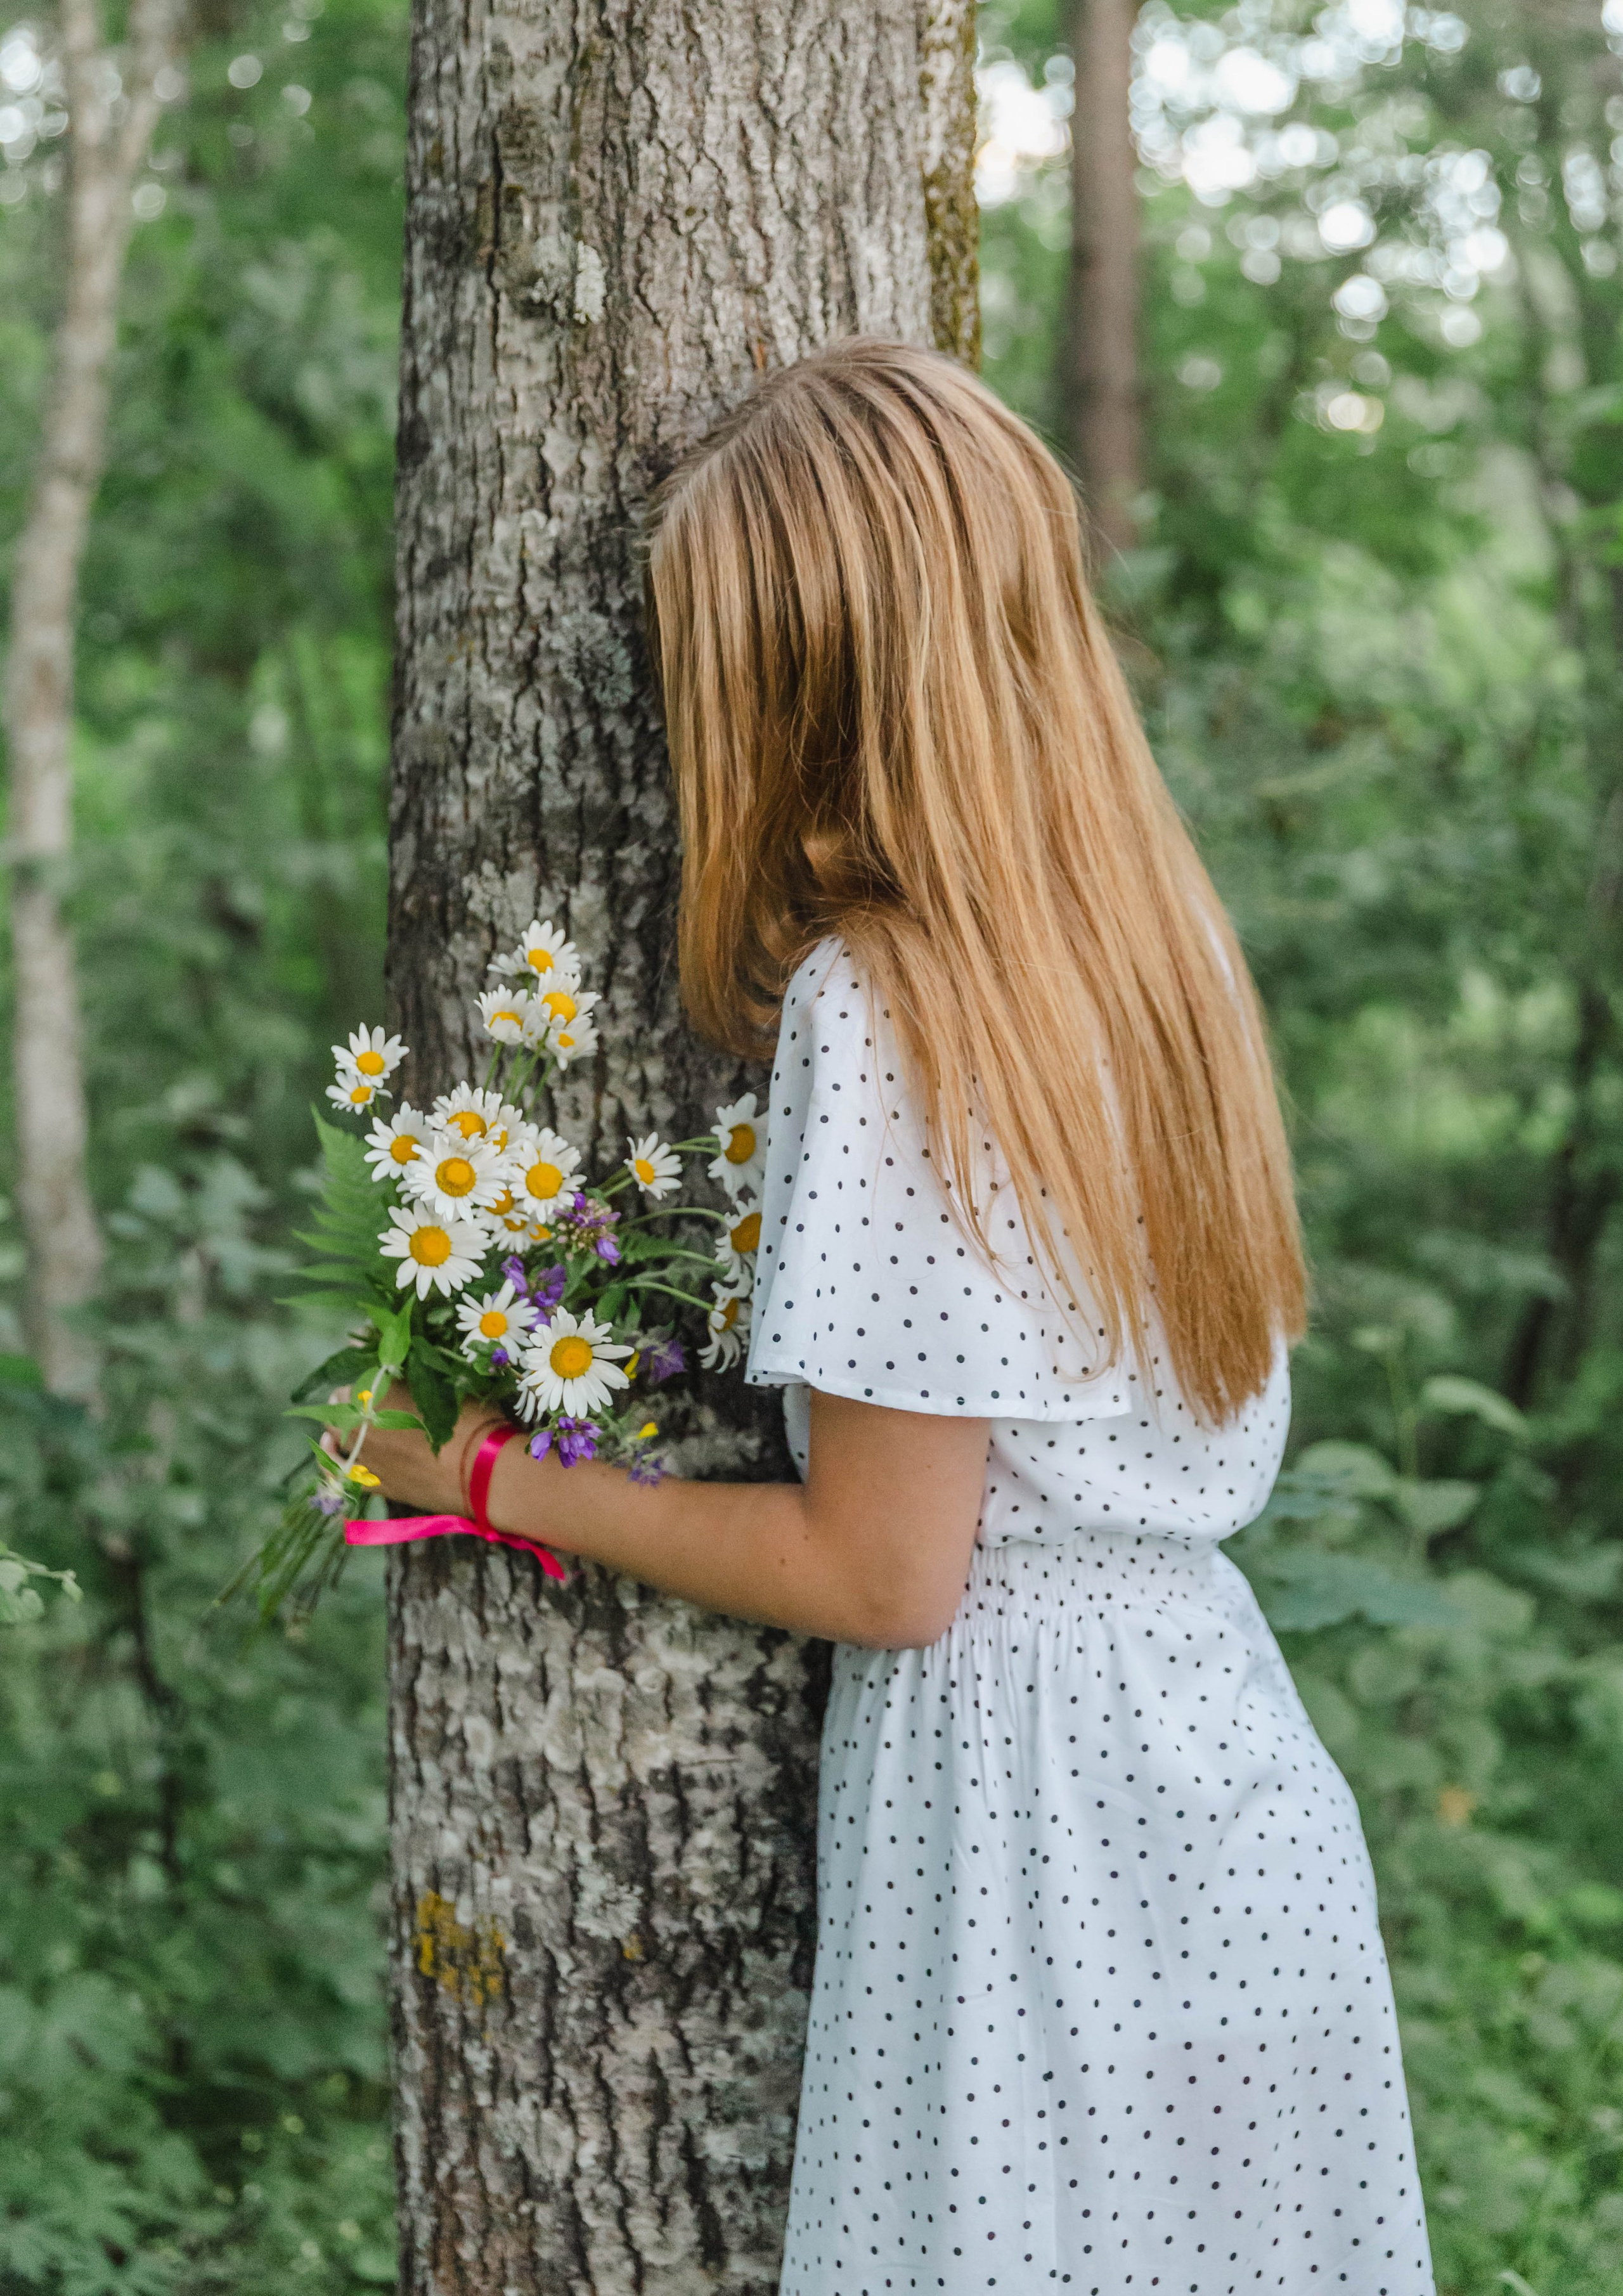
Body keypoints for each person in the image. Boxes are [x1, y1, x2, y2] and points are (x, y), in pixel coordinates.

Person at [344, 340, 1435, 2295]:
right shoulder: (1150, 936)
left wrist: (482, 1474)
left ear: (803, 689)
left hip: (1043, 1849)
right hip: (1231, 1793)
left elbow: (885, 1569)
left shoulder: (889, 1000)